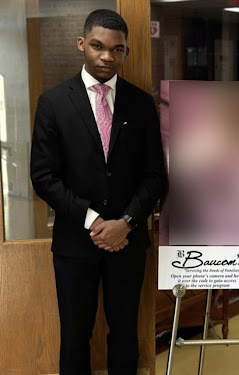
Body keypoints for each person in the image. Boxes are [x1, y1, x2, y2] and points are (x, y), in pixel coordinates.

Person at [30, 9, 165, 375]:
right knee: (75, 335)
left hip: (128, 240)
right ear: (82, 45)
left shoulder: (140, 104)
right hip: (75, 242)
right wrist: (94, 221)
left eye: (117, 49)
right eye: (97, 46)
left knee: (125, 333)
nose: (107, 56)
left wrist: (124, 222)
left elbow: (155, 176)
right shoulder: (54, 103)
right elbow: (43, 177)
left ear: (126, 52)